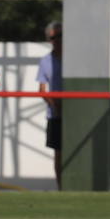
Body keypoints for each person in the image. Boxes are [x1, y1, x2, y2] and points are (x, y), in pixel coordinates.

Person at [36, 21, 63, 190]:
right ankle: (61, 188)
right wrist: (55, 106)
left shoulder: (76, 58)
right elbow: (42, 89)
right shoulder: (45, 61)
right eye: (54, 37)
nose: (58, 40)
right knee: (59, 152)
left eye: (60, 36)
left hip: (76, 113)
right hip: (55, 114)